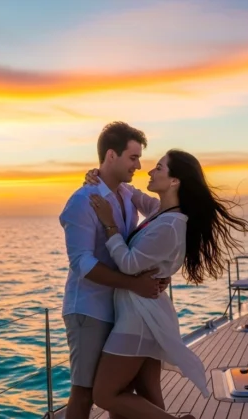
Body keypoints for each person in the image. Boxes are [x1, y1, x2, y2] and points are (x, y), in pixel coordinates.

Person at [84, 149, 248, 419]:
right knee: (148, 394)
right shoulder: (160, 212)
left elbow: (128, 264)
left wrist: (109, 224)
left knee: (105, 394)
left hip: (139, 319)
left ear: (174, 181)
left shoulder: (170, 225)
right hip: (144, 312)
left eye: (159, 168)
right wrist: (100, 176)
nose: (150, 171)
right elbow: (131, 192)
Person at [60, 122, 171, 419]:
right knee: (84, 393)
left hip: (121, 307)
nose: (139, 165)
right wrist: (133, 284)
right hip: (89, 309)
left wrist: (163, 268)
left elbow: (165, 217)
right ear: (112, 155)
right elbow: (81, 263)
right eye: (133, 157)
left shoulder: (126, 194)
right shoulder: (82, 201)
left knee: (119, 391)